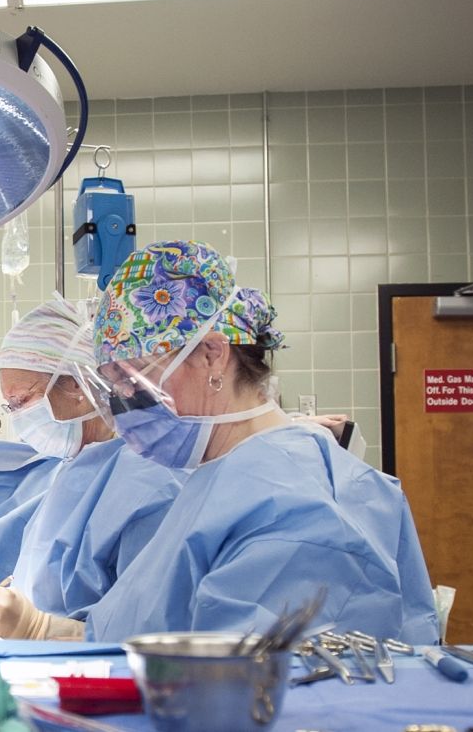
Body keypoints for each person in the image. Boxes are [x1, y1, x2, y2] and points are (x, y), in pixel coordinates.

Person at [80, 240, 438, 643]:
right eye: (115, 385)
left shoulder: (293, 504)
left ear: (212, 354)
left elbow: (261, 686)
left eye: (135, 376)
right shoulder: (222, 478)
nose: (127, 401)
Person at [0, 298, 188, 639]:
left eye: (23, 400)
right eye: (10, 406)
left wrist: (38, 628)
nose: (19, 418)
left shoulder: (151, 482)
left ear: (76, 385)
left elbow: (151, 631)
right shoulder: (75, 471)